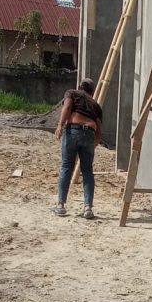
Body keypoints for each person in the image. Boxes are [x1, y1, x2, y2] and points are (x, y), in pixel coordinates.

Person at [52, 79, 103, 219]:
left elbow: (68, 107)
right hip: (90, 134)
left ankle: (61, 206)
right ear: (92, 91)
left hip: (73, 130)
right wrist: (95, 142)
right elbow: (99, 127)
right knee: (87, 170)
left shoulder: (72, 93)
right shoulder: (95, 105)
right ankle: (88, 208)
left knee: (67, 166)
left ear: (80, 87)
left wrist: (60, 125)